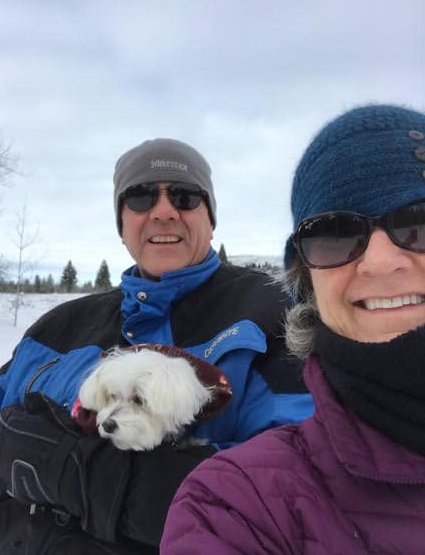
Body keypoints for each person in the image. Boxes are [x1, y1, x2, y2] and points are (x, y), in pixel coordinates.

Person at [0, 138, 313, 555]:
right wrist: (20, 534)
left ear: (210, 219)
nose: (164, 211)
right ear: (122, 223)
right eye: (142, 197)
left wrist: (111, 487)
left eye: (184, 196)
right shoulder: (55, 328)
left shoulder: (274, 311)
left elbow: (303, 474)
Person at [161, 104, 425, 555]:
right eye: (335, 234)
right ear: (307, 281)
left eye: (419, 223)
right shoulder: (236, 506)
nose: (381, 263)